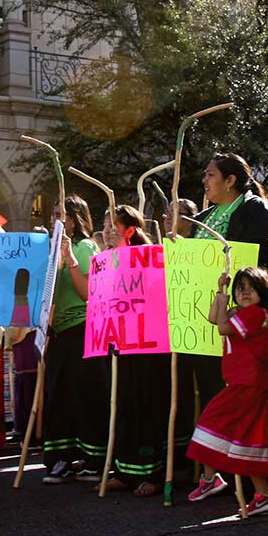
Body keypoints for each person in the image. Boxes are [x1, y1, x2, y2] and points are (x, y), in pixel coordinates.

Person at [187, 153, 268, 497]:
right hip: (211, 323)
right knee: (220, 397)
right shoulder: (203, 217)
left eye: (210, 175)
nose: (204, 182)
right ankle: (226, 473)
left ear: (231, 181)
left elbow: (263, 263)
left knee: (255, 401)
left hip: (250, 328)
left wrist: (238, 294)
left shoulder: (254, 210)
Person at [187, 266, 268, 517]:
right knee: (246, 437)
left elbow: (222, 328)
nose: (245, 293)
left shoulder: (255, 314)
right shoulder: (243, 313)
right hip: (245, 382)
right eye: (240, 289)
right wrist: (221, 290)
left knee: (212, 422)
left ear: (263, 291)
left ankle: (210, 478)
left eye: (251, 288)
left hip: (248, 382)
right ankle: (262, 493)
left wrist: (225, 307)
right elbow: (212, 317)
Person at [100, 204, 172, 496]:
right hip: (119, 343)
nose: (105, 233)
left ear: (128, 230)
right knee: (122, 405)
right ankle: (123, 470)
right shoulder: (104, 260)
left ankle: (152, 472)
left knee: (147, 406)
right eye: (103, 227)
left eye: (110, 227)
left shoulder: (150, 256)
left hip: (147, 346)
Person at [40, 196, 104, 484]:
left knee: (83, 395)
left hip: (81, 327)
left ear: (76, 217)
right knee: (58, 396)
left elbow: (87, 293)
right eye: (53, 214)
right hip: (56, 330)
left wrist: (70, 259)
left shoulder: (86, 246)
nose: (56, 219)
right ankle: (60, 458)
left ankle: (92, 459)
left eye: (61, 215)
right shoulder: (49, 249)